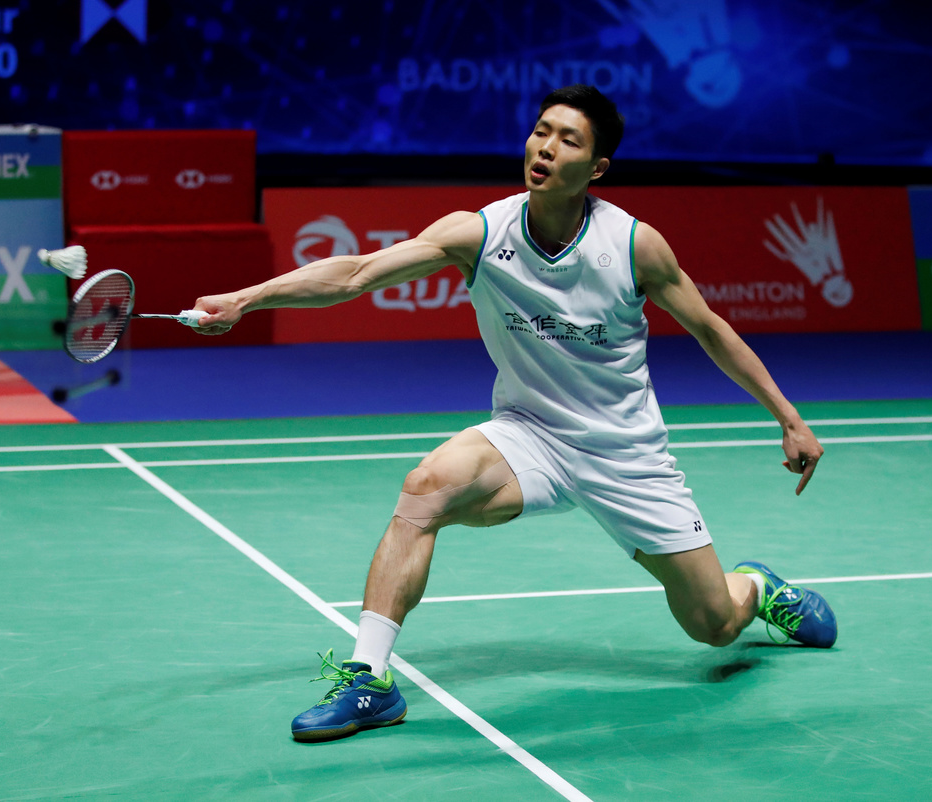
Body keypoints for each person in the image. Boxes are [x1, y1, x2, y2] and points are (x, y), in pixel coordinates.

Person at [192, 84, 837, 743]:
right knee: (425, 488)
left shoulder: (634, 245)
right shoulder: (480, 232)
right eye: (540, 131)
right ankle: (371, 680)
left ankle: (757, 588)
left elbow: (711, 330)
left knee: (713, 626)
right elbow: (357, 272)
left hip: (625, 454)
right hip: (529, 435)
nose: (545, 148)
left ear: (597, 168)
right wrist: (247, 298)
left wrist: (788, 417)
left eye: (568, 140)